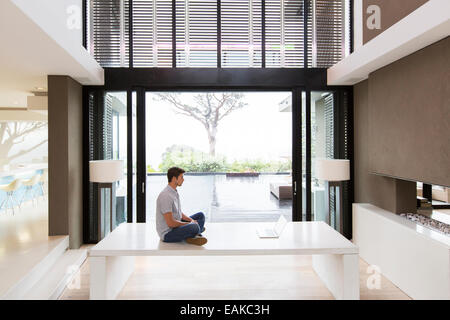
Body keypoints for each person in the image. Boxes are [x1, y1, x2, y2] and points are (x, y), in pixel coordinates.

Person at [156, 167, 207, 246]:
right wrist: (189, 224)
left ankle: (193, 234)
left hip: (176, 226)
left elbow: (179, 213)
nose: (183, 179)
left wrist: (191, 220)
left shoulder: (173, 192)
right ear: (174, 179)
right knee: (195, 227)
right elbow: (170, 223)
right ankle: (195, 232)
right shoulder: (165, 196)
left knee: (201, 215)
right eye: (181, 177)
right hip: (168, 233)